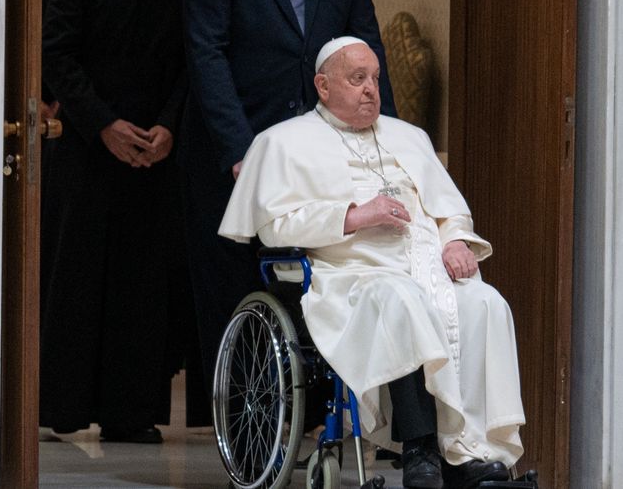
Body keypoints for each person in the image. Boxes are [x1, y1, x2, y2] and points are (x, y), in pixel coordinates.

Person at [219, 38, 524, 489]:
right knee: (400, 299)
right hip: (348, 276)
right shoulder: (282, 141)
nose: (370, 89)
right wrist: (355, 216)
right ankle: (420, 448)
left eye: (375, 79)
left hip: (427, 267)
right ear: (323, 86)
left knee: (485, 303)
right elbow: (275, 227)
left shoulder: (410, 137)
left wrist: (455, 241)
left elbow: (449, 210)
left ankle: (471, 453)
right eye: (357, 78)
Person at [180, 0, 397, 396]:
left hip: (321, 150)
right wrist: (240, 151)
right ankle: (246, 423)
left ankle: (317, 416)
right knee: (236, 293)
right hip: (239, 144)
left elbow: (365, 45)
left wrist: (386, 143)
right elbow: (207, 54)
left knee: (319, 288)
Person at [40, 0, 190, 444]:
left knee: (143, 290)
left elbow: (192, 61)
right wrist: (103, 124)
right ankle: (67, 406)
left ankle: (132, 412)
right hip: (90, 151)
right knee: (80, 280)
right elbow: (58, 54)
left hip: (155, 155)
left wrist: (168, 126)